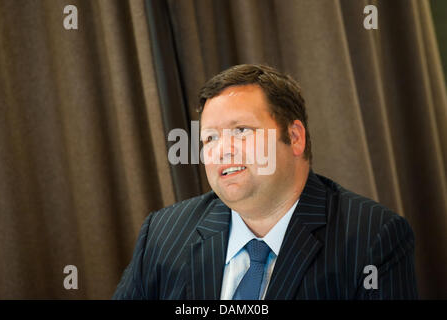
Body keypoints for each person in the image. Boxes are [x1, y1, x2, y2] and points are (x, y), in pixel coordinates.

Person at [113, 64, 418, 300]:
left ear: (294, 137)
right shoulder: (163, 234)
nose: (223, 150)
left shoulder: (373, 237)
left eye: (241, 131)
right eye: (210, 138)